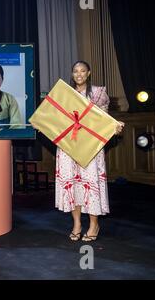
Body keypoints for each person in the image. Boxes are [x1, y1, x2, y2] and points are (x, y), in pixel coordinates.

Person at [47, 60, 124, 242]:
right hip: (68, 147)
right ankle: (76, 224)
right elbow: (55, 119)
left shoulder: (98, 93)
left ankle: (94, 224)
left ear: (88, 73)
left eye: (82, 71)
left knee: (90, 185)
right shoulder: (65, 95)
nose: (79, 74)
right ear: (72, 74)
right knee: (73, 185)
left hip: (90, 147)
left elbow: (104, 120)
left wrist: (115, 127)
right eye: (75, 71)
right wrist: (46, 125)